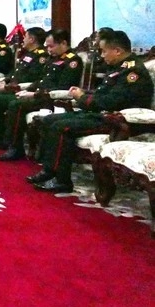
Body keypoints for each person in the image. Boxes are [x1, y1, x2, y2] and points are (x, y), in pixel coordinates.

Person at [29, 30, 153, 192]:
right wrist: (84, 94)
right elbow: (104, 93)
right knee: (50, 120)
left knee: (61, 127)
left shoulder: (132, 72)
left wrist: (82, 99)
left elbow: (113, 101)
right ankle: (49, 170)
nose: (101, 55)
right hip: (102, 114)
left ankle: (62, 180)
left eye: (104, 51)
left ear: (117, 51)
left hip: (116, 120)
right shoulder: (119, 67)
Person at [0, 29, 84, 160]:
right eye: (47, 46)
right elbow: (41, 80)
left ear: (63, 43)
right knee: (9, 99)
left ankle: (15, 147)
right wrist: (28, 89)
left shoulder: (72, 61)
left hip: (53, 99)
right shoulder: (53, 58)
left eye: (51, 46)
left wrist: (35, 94)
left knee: (16, 105)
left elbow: (63, 87)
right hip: (40, 94)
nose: (48, 49)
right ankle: (4, 140)